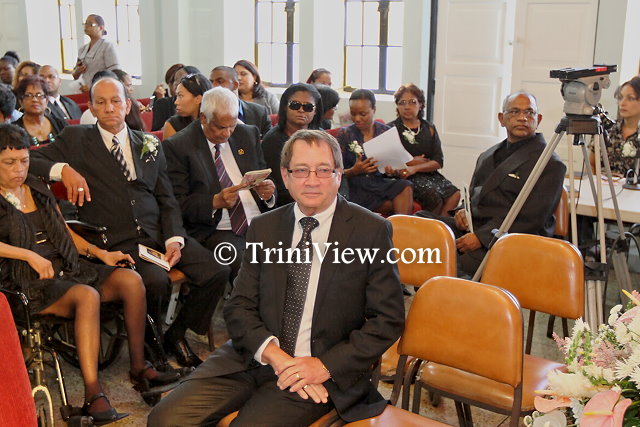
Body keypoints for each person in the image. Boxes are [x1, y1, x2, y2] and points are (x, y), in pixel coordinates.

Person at [148, 129, 405, 426]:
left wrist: (324, 366)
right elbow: (239, 305)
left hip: (318, 367)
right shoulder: (264, 227)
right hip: (255, 355)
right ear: (285, 175)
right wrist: (275, 356)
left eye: (323, 170)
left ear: (338, 174)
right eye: (301, 170)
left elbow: (387, 319)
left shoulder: (370, 231)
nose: (311, 180)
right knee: (164, 420)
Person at [29, 77, 231, 368]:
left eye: (115, 101)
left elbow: (167, 198)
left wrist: (174, 239)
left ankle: (175, 335)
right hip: (117, 239)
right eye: (101, 102)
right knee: (155, 280)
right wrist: (63, 170)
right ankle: (150, 348)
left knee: (216, 271)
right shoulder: (76, 139)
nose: (109, 108)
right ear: (92, 109)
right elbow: (29, 161)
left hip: (158, 233)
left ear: (127, 105)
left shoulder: (148, 142)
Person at [0, 124, 179, 424]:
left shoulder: (37, 186)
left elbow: (64, 230)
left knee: (130, 280)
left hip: (66, 265)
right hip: (25, 280)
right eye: (9, 163)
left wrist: (100, 253)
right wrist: (28, 254)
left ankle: (139, 367)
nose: (19, 169)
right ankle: (93, 394)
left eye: (24, 161)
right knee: (87, 295)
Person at [417, 91, 566, 277]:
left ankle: (444, 289)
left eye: (529, 112)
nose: (522, 118)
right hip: (476, 226)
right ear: (501, 118)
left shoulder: (550, 163)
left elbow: (531, 219)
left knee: (450, 261)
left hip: (511, 238)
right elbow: (473, 195)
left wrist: (483, 238)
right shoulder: (487, 156)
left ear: (539, 119)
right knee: (420, 224)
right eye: (514, 112)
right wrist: (462, 212)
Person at [164, 87, 276, 279]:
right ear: (203, 118)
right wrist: (214, 202)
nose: (228, 133)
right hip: (219, 229)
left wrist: (268, 194)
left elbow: (264, 176)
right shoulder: (179, 146)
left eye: (232, 125)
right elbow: (176, 204)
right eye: (221, 127)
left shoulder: (246, 134)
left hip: (259, 222)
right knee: (252, 268)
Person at [336, 89, 413, 215]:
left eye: (363, 114)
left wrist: (392, 171)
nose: (357, 118)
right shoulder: (345, 134)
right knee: (393, 204)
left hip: (379, 182)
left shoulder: (385, 131)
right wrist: (354, 170)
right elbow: (335, 172)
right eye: (353, 114)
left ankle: (402, 227)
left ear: (374, 109)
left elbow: (396, 164)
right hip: (356, 185)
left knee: (405, 186)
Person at [386, 83, 460, 215]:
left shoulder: (429, 128)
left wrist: (416, 167)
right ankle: (426, 226)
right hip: (405, 176)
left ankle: (439, 225)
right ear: (397, 106)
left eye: (412, 102)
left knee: (455, 195)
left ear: (420, 105)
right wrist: (411, 162)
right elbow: (388, 160)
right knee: (433, 197)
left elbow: (438, 161)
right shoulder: (391, 129)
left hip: (428, 173)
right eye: (402, 102)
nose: (407, 107)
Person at [262, 83, 323, 206]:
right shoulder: (273, 140)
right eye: (295, 105)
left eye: (308, 107)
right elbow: (282, 185)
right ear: (285, 107)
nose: (301, 110)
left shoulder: (322, 137)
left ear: (315, 111)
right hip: (288, 203)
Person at [589, 76, 640, 177]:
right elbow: (592, 164)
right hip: (602, 185)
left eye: (630, 98)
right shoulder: (606, 128)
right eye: (620, 98)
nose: (622, 103)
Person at [209, 65, 272, 137]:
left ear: (235, 85)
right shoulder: (206, 113)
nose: (213, 86)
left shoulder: (259, 113)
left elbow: (269, 141)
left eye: (220, 81)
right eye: (211, 82)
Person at [13, 75, 66, 147]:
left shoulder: (60, 124)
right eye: (28, 95)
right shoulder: (14, 131)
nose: (35, 100)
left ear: (46, 100)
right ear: (21, 101)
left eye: (39, 95)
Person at [72, 14, 120, 92]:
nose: (86, 26)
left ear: (101, 28)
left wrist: (93, 87)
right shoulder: (82, 49)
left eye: (90, 24)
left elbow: (115, 73)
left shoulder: (108, 46)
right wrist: (78, 71)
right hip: (83, 91)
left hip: (102, 90)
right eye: (85, 23)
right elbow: (75, 75)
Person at [162, 73, 212, 139]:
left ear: (198, 99)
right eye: (177, 96)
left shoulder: (215, 123)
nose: (176, 102)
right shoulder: (172, 125)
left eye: (180, 96)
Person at [151, 65, 199, 132]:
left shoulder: (206, 109)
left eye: (182, 80)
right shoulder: (163, 103)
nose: (176, 85)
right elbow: (155, 133)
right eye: (175, 81)